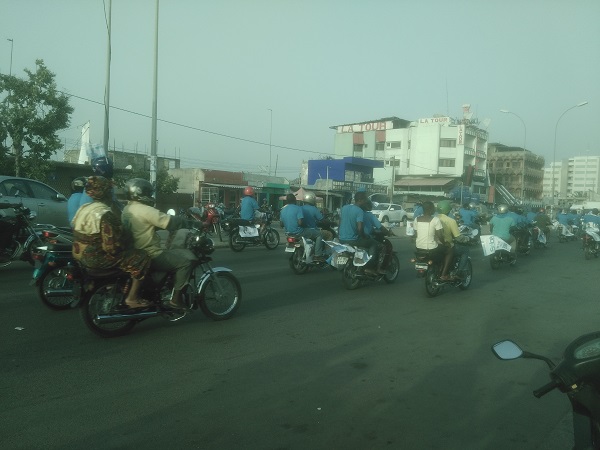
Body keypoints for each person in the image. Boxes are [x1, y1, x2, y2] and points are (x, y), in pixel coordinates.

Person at [71, 176, 151, 309]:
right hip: (95, 259)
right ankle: (132, 298)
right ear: (106, 193)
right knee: (142, 257)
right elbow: (112, 248)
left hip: (79, 256)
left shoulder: (83, 208)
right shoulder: (104, 214)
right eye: (110, 191)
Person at [121, 178, 197, 310]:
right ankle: (175, 300)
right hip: (150, 253)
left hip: (134, 251)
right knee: (185, 263)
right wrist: (196, 223)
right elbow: (171, 222)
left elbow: (142, 226)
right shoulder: (145, 210)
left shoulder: (127, 209)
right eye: (148, 193)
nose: (150, 196)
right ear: (141, 194)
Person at [338, 191, 384, 274]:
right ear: (360, 200)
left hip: (341, 239)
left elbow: (339, 224)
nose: (366, 201)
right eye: (365, 200)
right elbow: (360, 229)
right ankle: (369, 268)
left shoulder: (344, 207)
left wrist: (339, 235)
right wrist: (364, 236)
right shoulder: (359, 211)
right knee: (374, 244)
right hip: (352, 239)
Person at [437, 200, 468, 280]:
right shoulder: (451, 221)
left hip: (434, 246)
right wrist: (467, 239)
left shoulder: (433, 218)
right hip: (446, 245)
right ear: (448, 210)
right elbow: (458, 237)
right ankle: (459, 272)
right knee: (465, 250)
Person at [413, 200, 446, 266]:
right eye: (433, 208)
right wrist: (444, 243)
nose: (434, 210)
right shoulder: (435, 220)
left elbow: (416, 234)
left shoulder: (416, 219)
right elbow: (440, 236)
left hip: (419, 247)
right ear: (430, 209)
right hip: (431, 248)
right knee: (446, 251)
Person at [299, 191, 327, 260]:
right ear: (312, 199)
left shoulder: (300, 208)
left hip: (302, 230)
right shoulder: (314, 209)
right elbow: (322, 220)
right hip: (311, 230)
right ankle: (318, 255)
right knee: (320, 235)